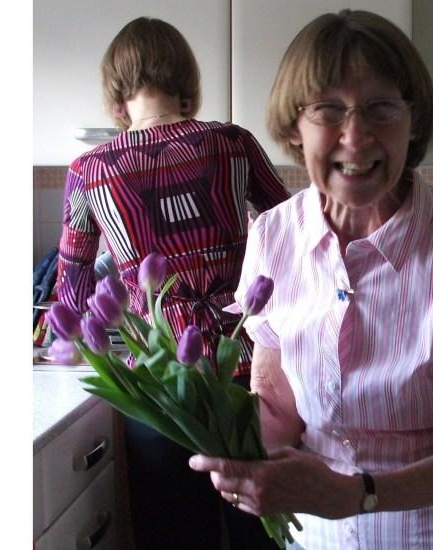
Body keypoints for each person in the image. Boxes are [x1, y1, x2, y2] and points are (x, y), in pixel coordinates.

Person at [189, 10, 433, 550]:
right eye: (328, 110)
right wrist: (207, 425)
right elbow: (278, 408)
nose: (356, 135)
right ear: (294, 127)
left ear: (411, 121)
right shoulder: (273, 237)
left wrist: (356, 494)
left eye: (381, 108)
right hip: (321, 539)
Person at [54, 16, 289, 550]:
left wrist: (53, 343)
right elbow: (296, 235)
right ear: (186, 78)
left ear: (117, 89)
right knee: (261, 535)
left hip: (158, 386)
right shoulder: (232, 144)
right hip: (247, 371)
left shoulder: (89, 170)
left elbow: (70, 290)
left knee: (175, 538)